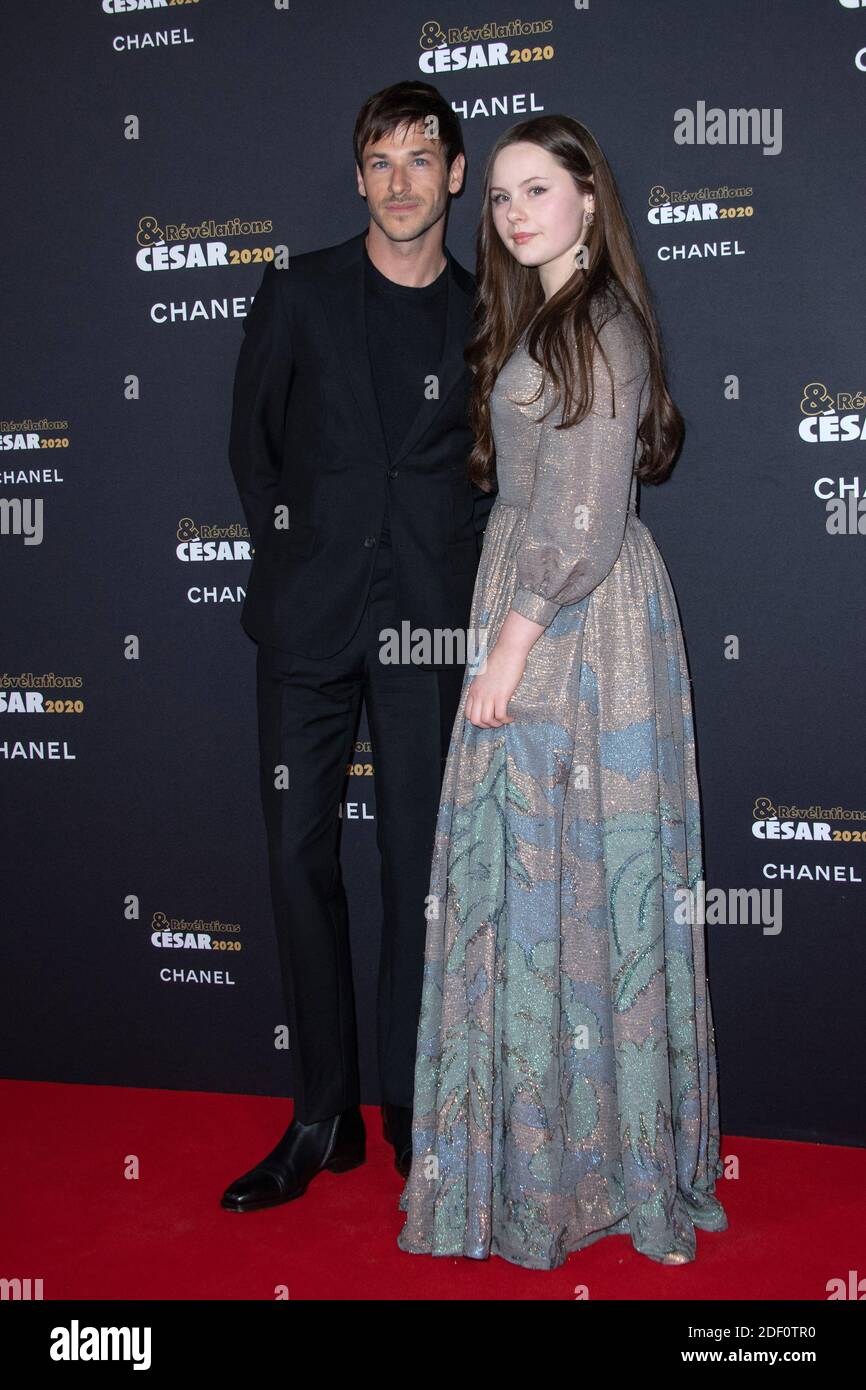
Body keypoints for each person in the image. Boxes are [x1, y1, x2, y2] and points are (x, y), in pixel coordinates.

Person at [396, 114, 728, 1268]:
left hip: (571, 628)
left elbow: (583, 515)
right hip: (538, 609)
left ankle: (587, 1169)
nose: (512, 211)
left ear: (590, 198)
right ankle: (540, 1159)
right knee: (539, 882)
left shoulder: (597, 323)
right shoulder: (541, 314)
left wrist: (506, 647)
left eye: (536, 188)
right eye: (496, 196)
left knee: (562, 877)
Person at [222, 81, 495, 1212]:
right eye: (377, 160)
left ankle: (410, 1108)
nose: (398, 181)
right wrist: (297, 563)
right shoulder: (297, 290)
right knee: (298, 860)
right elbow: (253, 446)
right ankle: (320, 1111)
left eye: (418, 160)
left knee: (415, 876)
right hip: (307, 622)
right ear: (357, 179)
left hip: (427, 624)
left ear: (454, 178)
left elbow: (486, 478)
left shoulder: (487, 317)